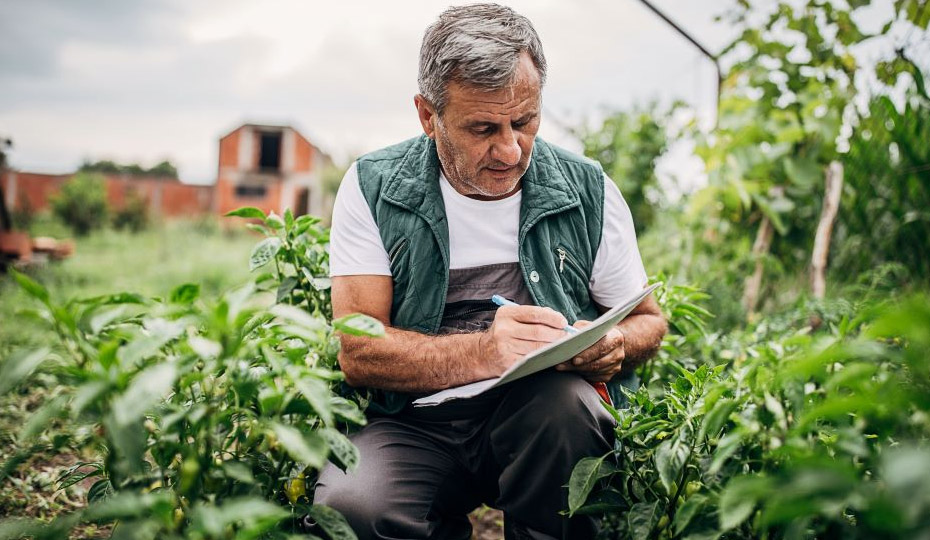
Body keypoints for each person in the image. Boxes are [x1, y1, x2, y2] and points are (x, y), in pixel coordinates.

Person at [314, 4, 667, 539]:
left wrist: (613, 341)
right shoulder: (373, 187)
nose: (510, 149)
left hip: (539, 417)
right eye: (482, 128)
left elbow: (649, 322)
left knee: (569, 411)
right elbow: (359, 350)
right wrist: (485, 351)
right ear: (428, 116)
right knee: (352, 507)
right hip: (413, 422)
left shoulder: (587, 189)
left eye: (524, 122)